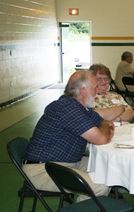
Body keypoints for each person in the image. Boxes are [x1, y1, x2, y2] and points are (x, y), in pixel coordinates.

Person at [23, 70, 113, 202]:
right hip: (42, 169)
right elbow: (101, 139)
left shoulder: (80, 107)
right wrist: (105, 126)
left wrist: (103, 125)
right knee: (100, 185)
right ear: (83, 90)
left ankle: (93, 210)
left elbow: (101, 122)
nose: (97, 92)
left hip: (67, 162)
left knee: (110, 165)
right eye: (94, 87)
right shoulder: (67, 108)